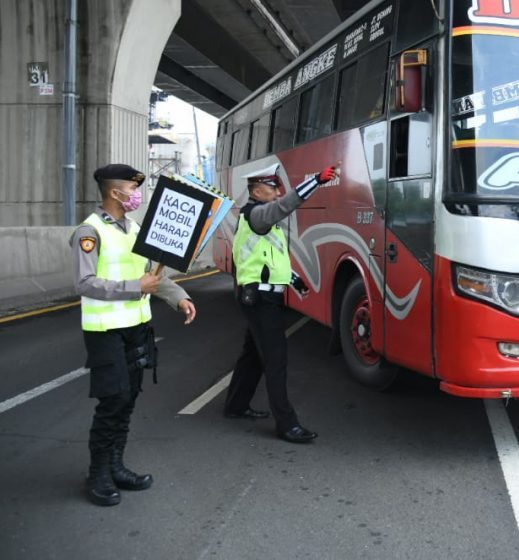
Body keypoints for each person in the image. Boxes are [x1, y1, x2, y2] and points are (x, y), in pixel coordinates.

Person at [70, 164, 198, 507]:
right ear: (115, 192)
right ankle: (98, 473)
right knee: (113, 401)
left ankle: (116, 466)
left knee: (128, 399)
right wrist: (134, 287)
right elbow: (84, 283)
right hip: (105, 330)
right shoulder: (89, 231)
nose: (137, 194)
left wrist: (179, 297)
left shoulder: (135, 229)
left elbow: (150, 275)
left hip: (136, 328)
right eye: (133, 187)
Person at [225, 161, 338, 443]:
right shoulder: (257, 215)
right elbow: (285, 206)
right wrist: (316, 180)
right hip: (260, 299)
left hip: (261, 296)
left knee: (253, 354)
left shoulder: (262, 223)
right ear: (256, 191)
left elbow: (269, 260)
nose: (278, 193)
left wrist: (294, 279)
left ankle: (236, 405)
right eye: (273, 188)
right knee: (276, 360)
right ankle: (287, 425)